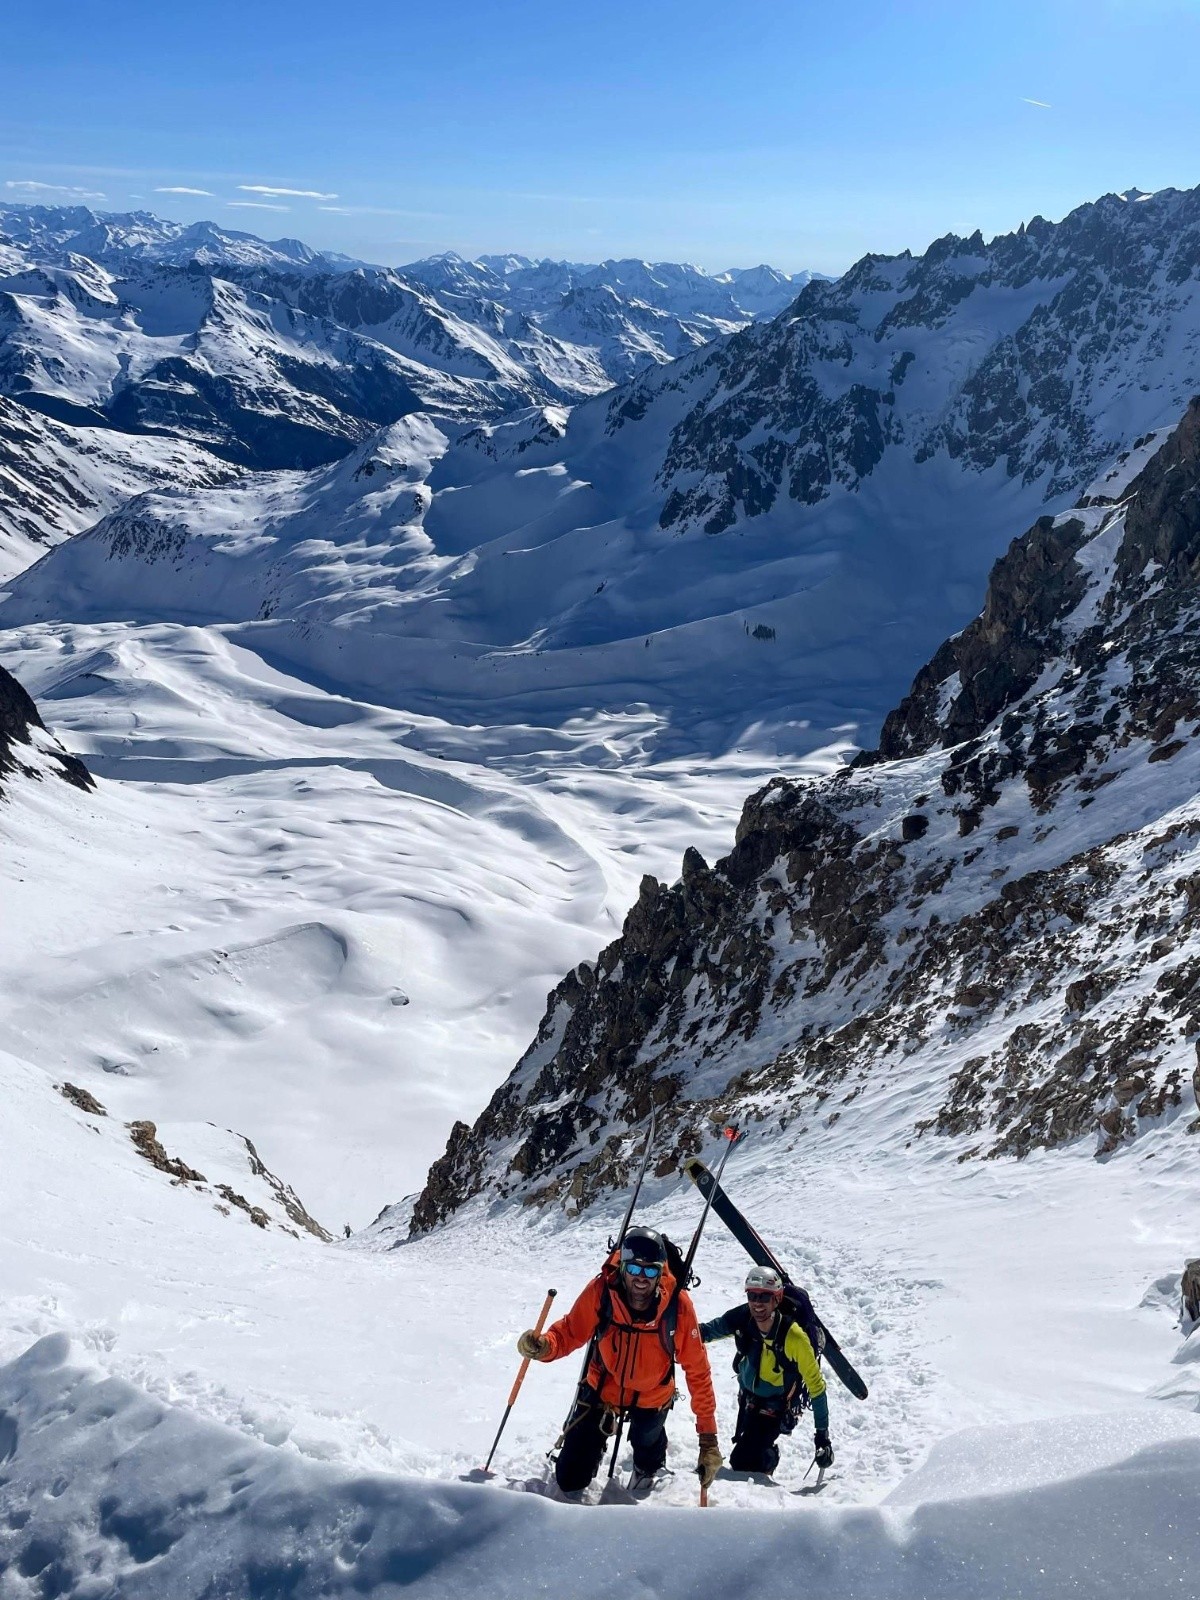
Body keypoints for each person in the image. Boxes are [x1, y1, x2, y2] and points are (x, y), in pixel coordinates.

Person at [517, 1226, 723, 1497]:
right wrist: (544, 1347)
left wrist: (708, 1439)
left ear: (661, 1272)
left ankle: (649, 1459)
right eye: (634, 1269)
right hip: (603, 1388)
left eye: (650, 1270)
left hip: (652, 1395)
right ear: (622, 1266)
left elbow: (698, 1369)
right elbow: (570, 1331)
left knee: (647, 1448)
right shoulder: (602, 1290)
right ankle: (593, 1447)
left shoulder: (677, 1306)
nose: (641, 1278)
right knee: (569, 1479)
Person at [700, 1265, 833, 1477]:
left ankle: (768, 1461)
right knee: (746, 1449)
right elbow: (708, 1331)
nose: (757, 1303)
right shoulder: (743, 1317)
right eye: (752, 1295)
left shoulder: (794, 1337)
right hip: (748, 1396)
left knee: (742, 1461)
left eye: (764, 1297)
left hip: (776, 1404)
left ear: (777, 1299)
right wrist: (672, 1334)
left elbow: (817, 1387)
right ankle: (760, 1456)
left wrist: (822, 1437)